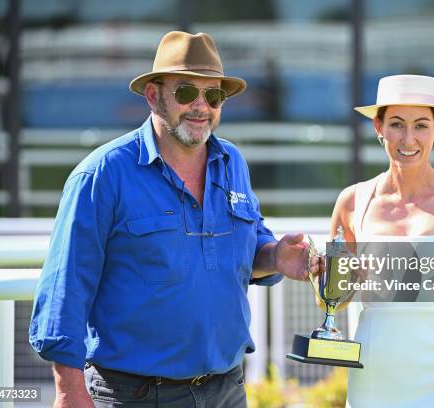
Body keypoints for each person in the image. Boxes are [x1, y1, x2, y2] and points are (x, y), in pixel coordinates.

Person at [29, 31, 317, 408]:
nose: (201, 106)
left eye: (213, 96)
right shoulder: (102, 175)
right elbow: (65, 289)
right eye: (185, 93)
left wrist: (275, 256)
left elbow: (248, 251)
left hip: (227, 389)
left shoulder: (233, 163)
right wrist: (68, 390)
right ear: (153, 95)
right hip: (134, 395)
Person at [328, 75, 434, 407]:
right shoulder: (351, 202)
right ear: (378, 127)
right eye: (396, 124)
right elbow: (332, 301)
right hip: (372, 379)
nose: (408, 139)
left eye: (421, 125)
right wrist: (326, 275)